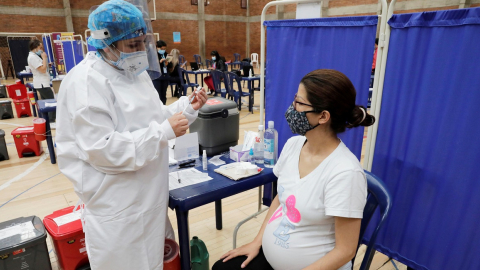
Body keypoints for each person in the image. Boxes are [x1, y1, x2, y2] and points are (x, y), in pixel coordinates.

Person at [55, 0, 208, 269]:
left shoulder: (132, 72)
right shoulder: (87, 83)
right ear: (105, 42)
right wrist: (163, 132)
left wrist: (187, 107)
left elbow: (153, 117)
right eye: (132, 45)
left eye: (142, 43)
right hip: (117, 207)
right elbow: (103, 151)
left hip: (149, 196)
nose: (140, 51)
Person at [213, 69, 375, 270]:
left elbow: (345, 251)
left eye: (299, 102)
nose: (292, 108)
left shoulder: (345, 173)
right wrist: (257, 242)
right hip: (273, 258)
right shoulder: (294, 145)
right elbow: (281, 199)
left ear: (323, 116)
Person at [27, 39, 56, 128]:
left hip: (43, 82)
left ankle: (48, 120)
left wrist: (47, 63)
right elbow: (42, 70)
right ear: (35, 48)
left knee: (46, 103)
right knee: (51, 102)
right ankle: (51, 121)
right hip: (41, 83)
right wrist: (44, 58)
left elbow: (42, 67)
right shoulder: (32, 57)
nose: (41, 49)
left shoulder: (34, 56)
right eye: (40, 47)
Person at [152, 40, 170, 104]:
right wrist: (159, 62)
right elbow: (152, 65)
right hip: (157, 77)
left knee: (163, 94)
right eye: (162, 48)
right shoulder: (154, 55)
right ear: (157, 47)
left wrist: (168, 63)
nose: (163, 50)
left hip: (165, 76)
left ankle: (164, 105)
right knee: (157, 94)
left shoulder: (166, 54)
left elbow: (171, 65)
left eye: (164, 48)